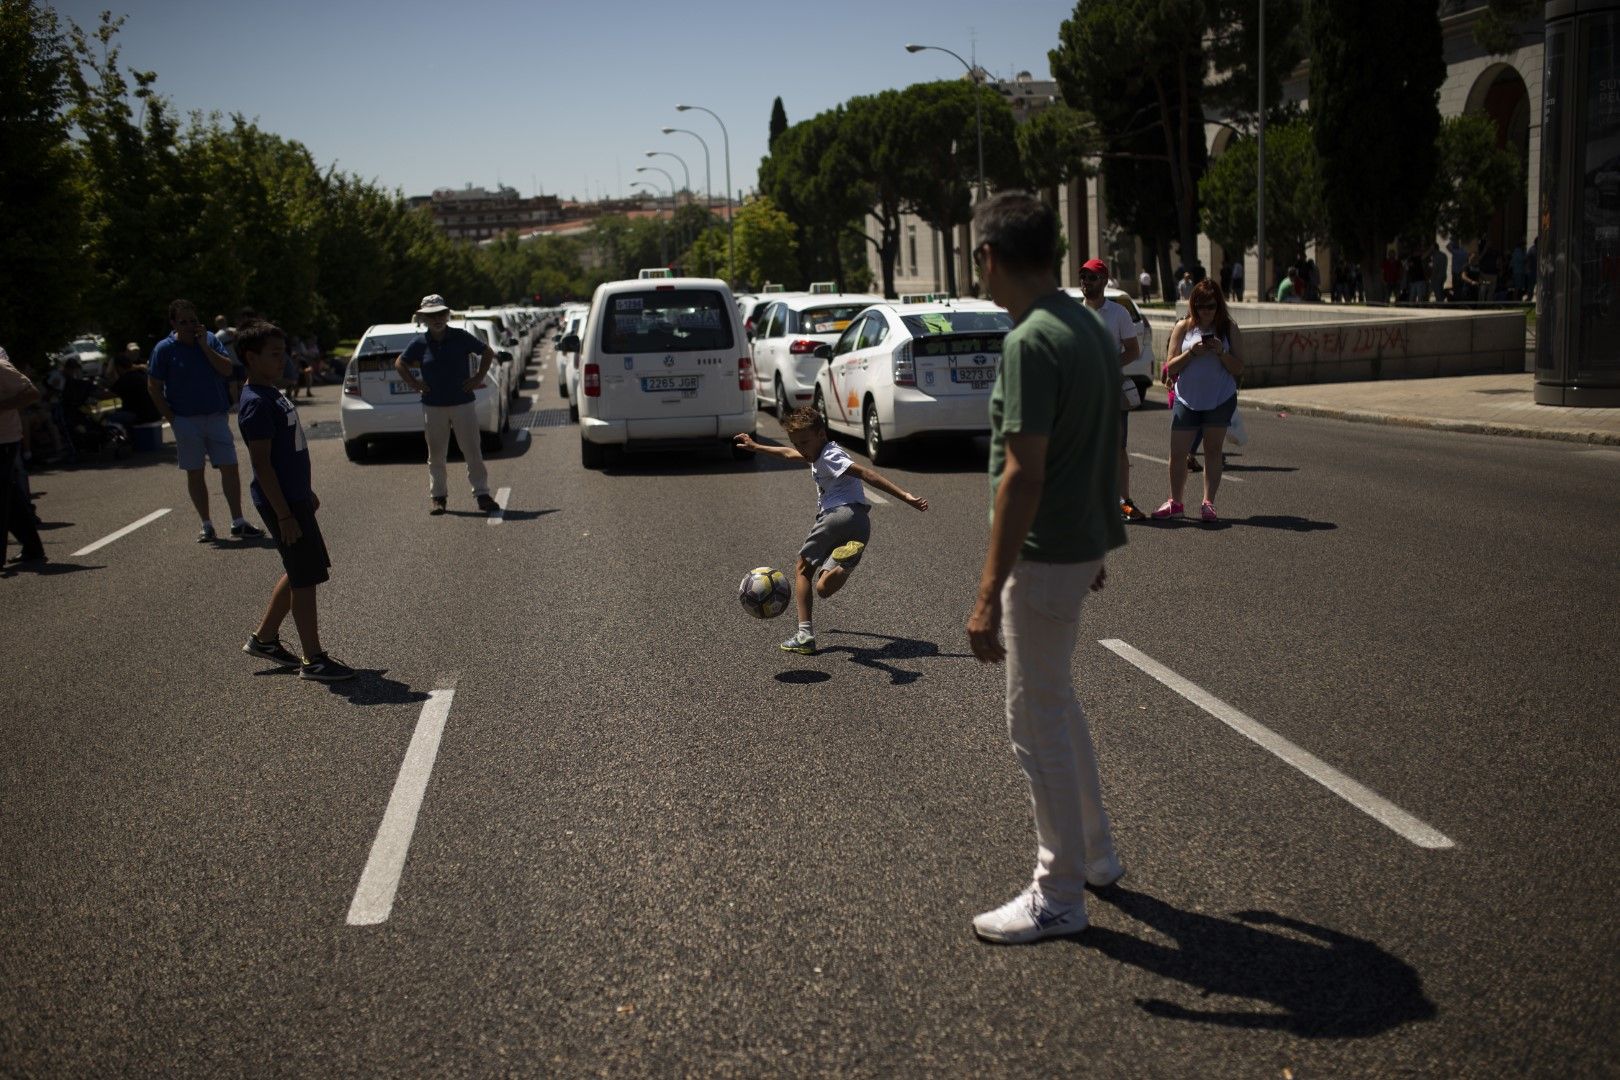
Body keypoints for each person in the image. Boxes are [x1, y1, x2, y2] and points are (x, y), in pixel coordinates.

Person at [962, 192, 1125, 944]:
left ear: (991, 257)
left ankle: (1058, 891)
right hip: (1075, 543)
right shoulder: (1088, 326)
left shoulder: (1029, 342)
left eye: (976, 261)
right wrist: (1097, 533)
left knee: (1033, 723)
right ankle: (1094, 856)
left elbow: (1022, 474)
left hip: (1045, 553)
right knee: (1057, 706)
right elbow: (1104, 442)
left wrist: (987, 591)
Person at [734, 408, 927, 655]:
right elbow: (789, 454)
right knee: (823, 588)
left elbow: (867, 473)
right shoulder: (817, 453)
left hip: (836, 516)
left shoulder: (830, 456)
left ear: (821, 434)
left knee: (802, 569)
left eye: (804, 442)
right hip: (859, 524)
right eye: (796, 442)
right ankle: (845, 563)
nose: (801, 448)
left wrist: (906, 496)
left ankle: (805, 635)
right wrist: (758, 447)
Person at [234, 320, 354, 682]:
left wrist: (305, 491)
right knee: (305, 577)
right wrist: (285, 513)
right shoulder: (256, 402)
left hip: (294, 497)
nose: (281, 360)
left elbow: (289, 456)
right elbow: (262, 464)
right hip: (282, 503)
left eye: (282, 352)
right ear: (250, 358)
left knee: (301, 568)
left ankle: (265, 638)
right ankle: (313, 659)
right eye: (273, 355)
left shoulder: (272, 391)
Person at [148, 299, 263, 542]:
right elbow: (154, 386)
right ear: (173, 324)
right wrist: (172, 418)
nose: (190, 326)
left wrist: (203, 346)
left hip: (215, 415)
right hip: (186, 420)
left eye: (193, 321)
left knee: (229, 467)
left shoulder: (210, 340)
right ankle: (207, 524)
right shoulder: (164, 349)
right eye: (183, 322)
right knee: (195, 471)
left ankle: (238, 520)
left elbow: (226, 369)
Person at [395, 294, 500, 515]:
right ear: (423, 318)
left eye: (441, 314)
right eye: (431, 315)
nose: (437, 319)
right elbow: (400, 363)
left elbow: (487, 352)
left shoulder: (461, 337)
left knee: (472, 450)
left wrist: (477, 378)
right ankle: (438, 497)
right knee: (436, 454)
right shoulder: (420, 342)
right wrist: (415, 384)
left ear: (447, 315)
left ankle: (482, 494)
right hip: (433, 406)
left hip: (462, 403)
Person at [1154, 280, 1243, 523]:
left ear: (1219, 306)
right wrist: (1191, 352)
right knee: (1178, 452)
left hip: (1219, 398)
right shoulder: (1183, 327)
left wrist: (1220, 352)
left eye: (1211, 306)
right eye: (1201, 305)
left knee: (1213, 450)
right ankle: (1175, 502)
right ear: (1194, 305)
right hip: (1186, 398)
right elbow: (1169, 366)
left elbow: (1239, 367)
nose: (1206, 311)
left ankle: (1208, 503)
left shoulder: (1228, 329)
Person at [1076, 258, 1145, 522]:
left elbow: (1133, 350)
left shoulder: (1119, 314)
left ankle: (1123, 501)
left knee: (1117, 448)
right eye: (1083, 277)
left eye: (1091, 277)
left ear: (1104, 280)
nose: (1086, 282)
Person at [0, 347, 47, 570]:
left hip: (4, 440)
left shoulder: (1, 368)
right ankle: (33, 548)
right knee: (12, 498)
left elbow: (32, 393)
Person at [101, 348, 162, 429]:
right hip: (154, 415)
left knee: (107, 419)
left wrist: (109, 373)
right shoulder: (140, 375)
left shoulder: (125, 380)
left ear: (118, 367)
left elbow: (107, 395)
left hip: (141, 417)